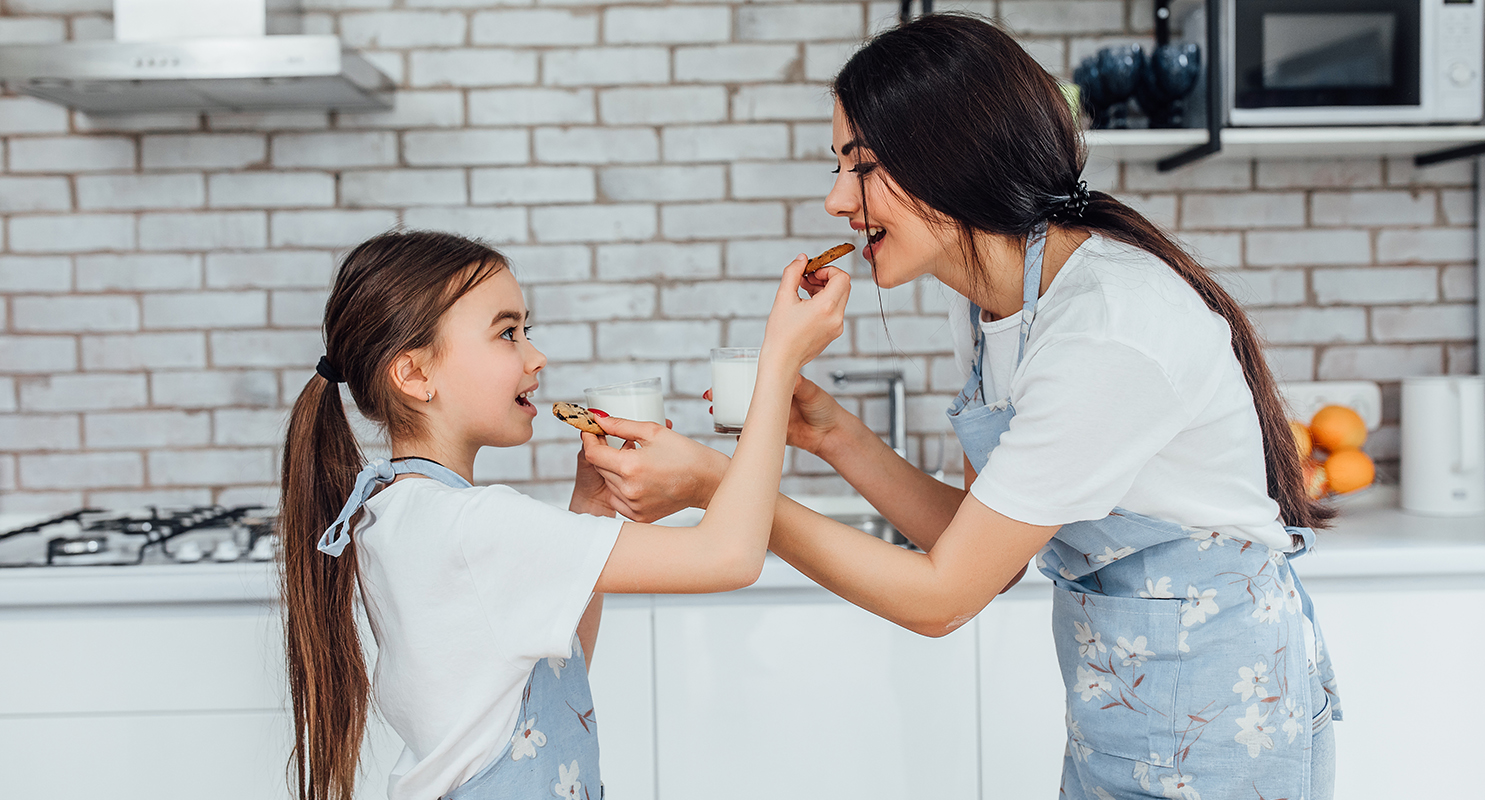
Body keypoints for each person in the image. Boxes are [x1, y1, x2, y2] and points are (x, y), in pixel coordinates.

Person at [581, 14, 1339, 800]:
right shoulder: (986, 301)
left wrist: (717, 486)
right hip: (1120, 712)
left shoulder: (1109, 330)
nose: (837, 199)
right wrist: (833, 434)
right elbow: (984, 544)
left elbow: (945, 597)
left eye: (861, 165)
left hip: (1226, 721)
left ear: (953, 154)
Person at [278, 230, 848, 800]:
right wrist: (777, 365)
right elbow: (731, 557)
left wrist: (593, 508)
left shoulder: (397, 511)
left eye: (528, 330)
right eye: (507, 333)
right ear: (416, 375)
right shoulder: (475, 526)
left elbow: (547, 674)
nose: (536, 355)